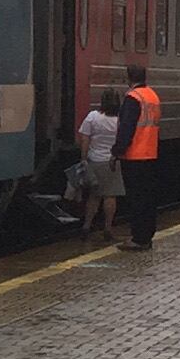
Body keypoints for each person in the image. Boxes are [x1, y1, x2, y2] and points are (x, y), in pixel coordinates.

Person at [118, 63, 163, 249]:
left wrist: (116, 152)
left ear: (129, 78)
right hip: (150, 153)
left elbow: (126, 129)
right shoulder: (152, 96)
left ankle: (138, 238)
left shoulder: (133, 98)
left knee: (136, 199)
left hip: (135, 156)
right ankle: (146, 236)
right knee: (148, 198)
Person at [75, 86, 125, 246]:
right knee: (110, 196)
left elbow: (84, 138)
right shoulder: (119, 120)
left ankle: (86, 226)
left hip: (94, 160)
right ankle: (108, 228)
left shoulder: (93, 117)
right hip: (111, 162)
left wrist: (84, 158)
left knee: (94, 196)